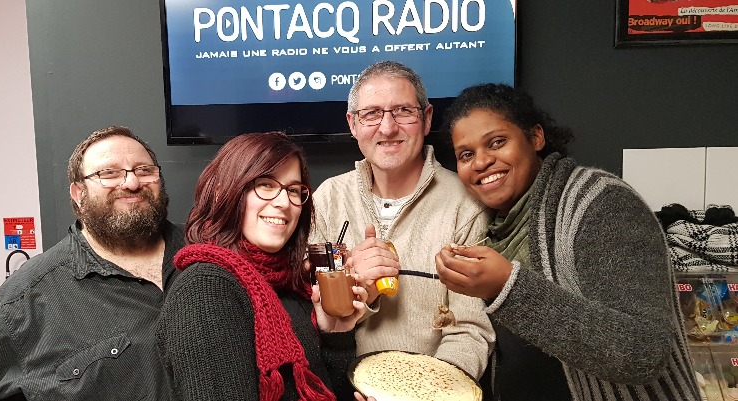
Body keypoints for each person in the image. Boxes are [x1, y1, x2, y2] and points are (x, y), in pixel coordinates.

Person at [435, 83, 701, 401]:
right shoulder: (491, 228)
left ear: (536, 137)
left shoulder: (601, 203)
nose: (481, 162)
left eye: (497, 142)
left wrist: (508, 287)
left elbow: (641, 352)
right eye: (466, 155)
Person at [0, 126, 184, 400]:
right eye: (109, 173)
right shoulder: (19, 306)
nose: (132, 182)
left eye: (144, 170)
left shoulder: (208, 253)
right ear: (79, 194)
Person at [310, 60, 495, 380]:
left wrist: (426, 391)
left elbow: (469, 330)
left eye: (403, 111)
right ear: (352, 124)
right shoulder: (327, 199)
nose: (387, 128)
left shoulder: (465, 205)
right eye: (371, 114)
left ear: (427, 118)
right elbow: (308, 320)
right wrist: (357, 289)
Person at [154, 132, 369, 400]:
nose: (283, 202)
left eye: (293, 190)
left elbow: (325, 391)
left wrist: (336, 337)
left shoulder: (291, 284)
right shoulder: (204, 289)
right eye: (266, 185)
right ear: (223, 192)